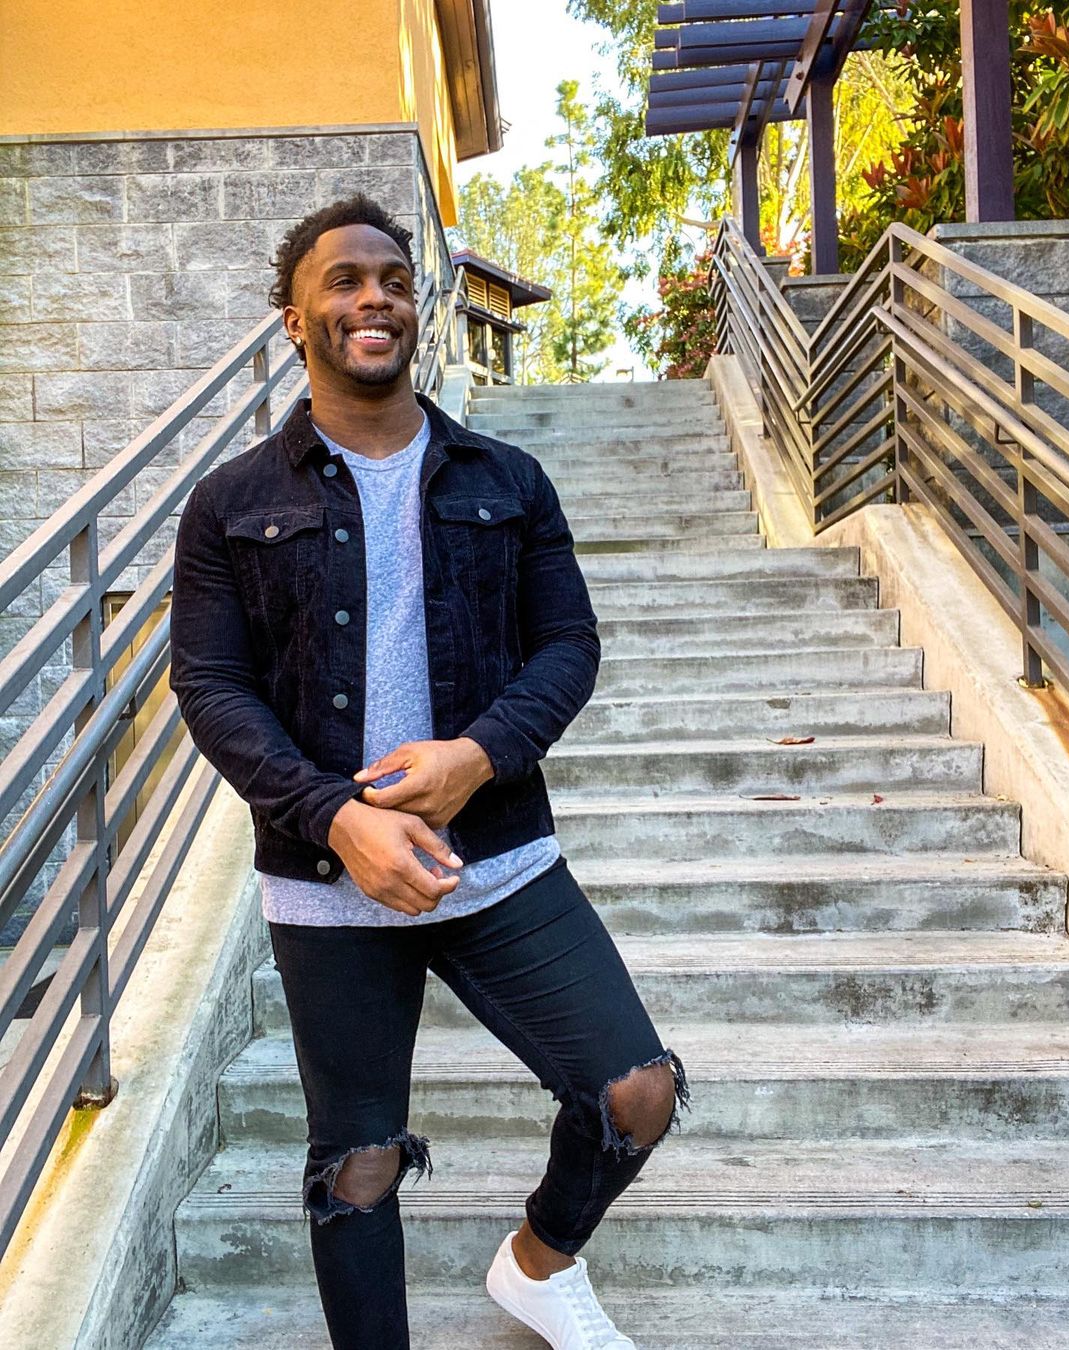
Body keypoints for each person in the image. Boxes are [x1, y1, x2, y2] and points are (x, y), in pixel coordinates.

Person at [169, 192, 689, 1350]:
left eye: (395, 281)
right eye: (345, 281)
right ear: (294, 318)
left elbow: (570, 644)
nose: (375, 298)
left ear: (419, 310)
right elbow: (209, 685)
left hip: (498, 852)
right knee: (356, 1167)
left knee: (635, 1092)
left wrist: (477, 755)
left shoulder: (506, 477)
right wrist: (332, 820)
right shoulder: (230, 504)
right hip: (325, 877)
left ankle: (540, 1266)